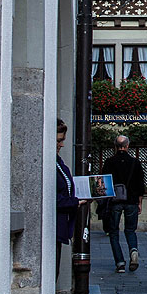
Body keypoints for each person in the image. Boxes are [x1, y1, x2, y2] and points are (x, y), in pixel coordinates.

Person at [101, 135, 145, 273]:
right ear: (127, 146)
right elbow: (140, 184)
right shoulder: (135, 162)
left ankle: (120, 262)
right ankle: (133, 250)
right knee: (130, 230)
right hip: (131, 200)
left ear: (115, 146)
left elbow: (104, 182)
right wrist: (139, 202)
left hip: (115, 201)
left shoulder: (109, 162)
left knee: (114, 232)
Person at [56, 119, 81, 280]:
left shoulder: (58, 162)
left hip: (59, 226)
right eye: (59, 140)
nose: (62, 145)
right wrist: (75, 202)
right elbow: (53, 198)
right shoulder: (52, 163)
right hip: (52, 227)